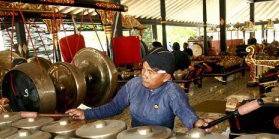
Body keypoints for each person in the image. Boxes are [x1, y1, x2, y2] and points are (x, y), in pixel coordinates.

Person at [66, 47, 213, 130]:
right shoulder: (133, 85)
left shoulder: (172, 92)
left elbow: (184, 112)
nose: (144, 75)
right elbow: (115, 106)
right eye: (143, 69)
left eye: (151, 72)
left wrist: (196, 123)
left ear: (166, 77)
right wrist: (86, 114)